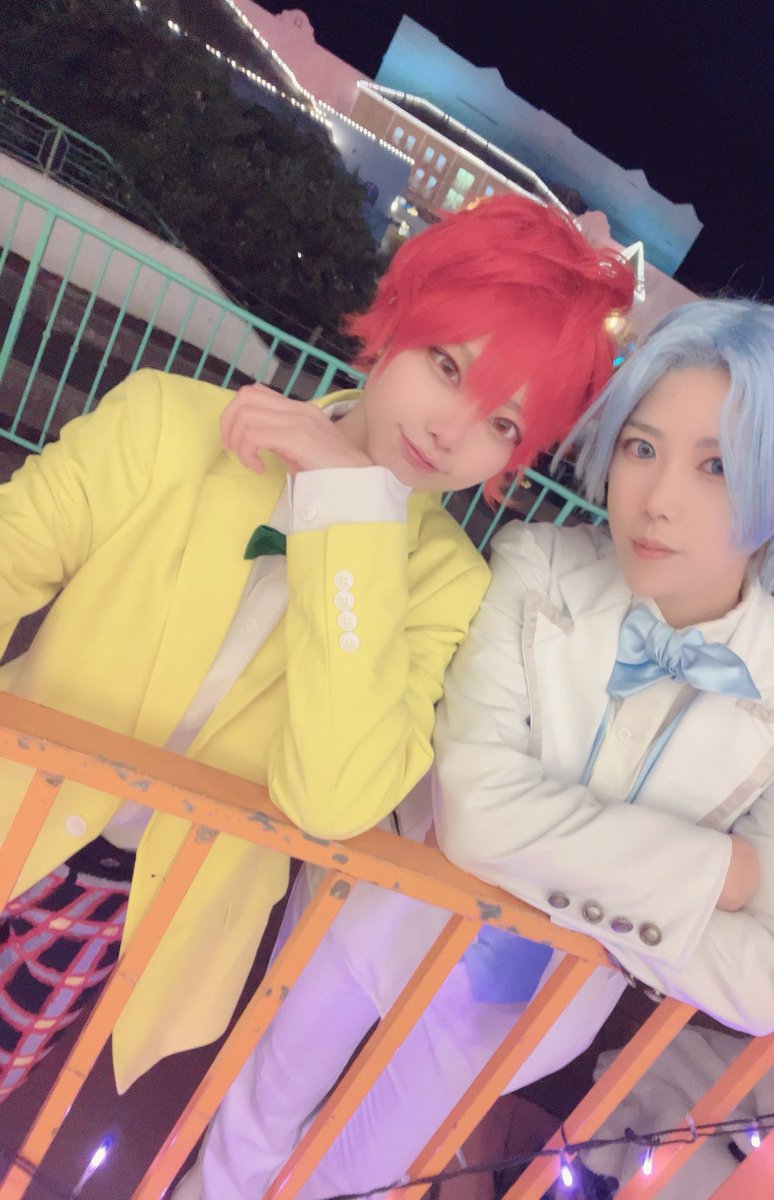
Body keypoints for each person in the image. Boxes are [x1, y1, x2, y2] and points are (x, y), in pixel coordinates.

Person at [182, 296, 774, 1200]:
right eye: (642, 448)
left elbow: (773, 975)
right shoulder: (537, 561)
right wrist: (713, 877)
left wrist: (538, 864)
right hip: (375, 907)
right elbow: (477, 812)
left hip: (517, 1004)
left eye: (718, 466)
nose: (658, 500)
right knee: (247, 1126)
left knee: (356, 1182)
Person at [0, 195, 634, 1102]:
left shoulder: (448, 584)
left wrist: (350, 516)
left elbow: (333, 799)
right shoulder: (169, 422)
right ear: (395, 321)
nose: (451, 431)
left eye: (503, 423)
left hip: (132, 899)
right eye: (447, 366)